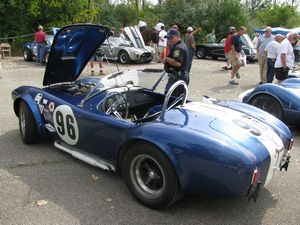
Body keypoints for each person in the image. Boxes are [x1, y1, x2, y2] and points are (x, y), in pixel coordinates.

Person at [163, 29, 189, 96]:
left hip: (178, 76)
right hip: (179, 75)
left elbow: (177, 63)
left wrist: (166, 59)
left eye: (171, 38)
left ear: (177, 37)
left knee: (171, 98)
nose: (169, 40)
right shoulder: (181, 45)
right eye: (168, 38)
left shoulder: (178, 48)